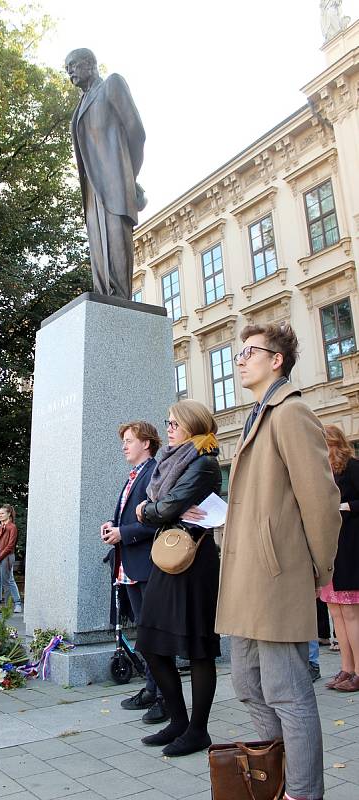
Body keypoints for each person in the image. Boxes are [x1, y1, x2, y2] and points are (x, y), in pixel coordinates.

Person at [214, 323, 341, 800]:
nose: (240, 359)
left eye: (250, 352)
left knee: (288, 691)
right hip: (247, 576)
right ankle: (276, 776)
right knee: (247, 683)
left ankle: (303, 792)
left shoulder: (291, 413)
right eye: (239, 351)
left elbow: (321, 501)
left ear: (277, 360)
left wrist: (316, 571)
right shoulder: (257, 414)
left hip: (275, 576)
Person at [133, 400, 222, 757]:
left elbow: (165, 508)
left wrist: (147, 510)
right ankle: (178, 720)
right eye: (166, 421)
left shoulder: (203, 463)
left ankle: (198, 730)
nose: (167, 427)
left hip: (194, 560)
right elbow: (165, 505)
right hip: (168, 555)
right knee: (152, 644)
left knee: (199, 649)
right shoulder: (171, 461)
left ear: (191, 425)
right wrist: (154, 509)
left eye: (174, 422)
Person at [65, 48, 146, 299]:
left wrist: (128, 177)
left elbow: (136, 132)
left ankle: (119, 298)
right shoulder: (78, 109)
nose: (70, 73)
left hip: (116, 184)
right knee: (99, 253)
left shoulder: (112, 84)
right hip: (92, 192)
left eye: (73, 65)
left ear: (89, 64)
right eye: (66, 69)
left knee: (117, 250)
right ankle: (104, 294)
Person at [100, 421, 166, 723]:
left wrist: (123, 533)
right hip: (129, 564)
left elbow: (156, 520)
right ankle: (152, 688)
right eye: (123, 440)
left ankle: (164, 695)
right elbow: (131, 518)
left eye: (129, 440)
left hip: (146, 563)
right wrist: (113, 529)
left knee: (153, 631)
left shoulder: (153, 472)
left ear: (146, 444)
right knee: (143, 629)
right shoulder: (133, 475)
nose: (124, 445)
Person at [321, 425, 359, 692]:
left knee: (350, 613)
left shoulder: (353, 467)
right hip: (328, 550)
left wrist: (347, 506)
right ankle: (346, 668)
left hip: (350, 548)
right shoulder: (320, 472)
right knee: (335, 612)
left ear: (334, 443)